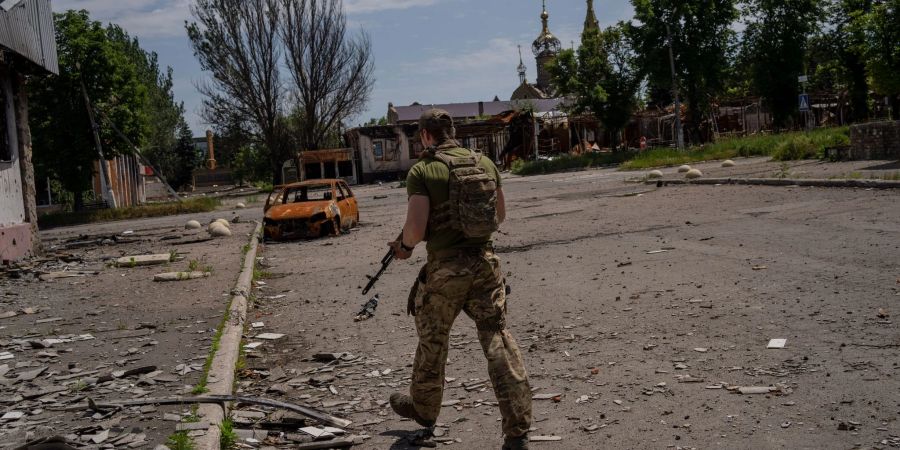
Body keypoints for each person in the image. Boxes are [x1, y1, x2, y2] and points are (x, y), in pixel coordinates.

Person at [387, 109, 533, 450]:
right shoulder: (484, 163)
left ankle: (423, 409)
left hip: (446, 270)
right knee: (497, 339)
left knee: (432, 340)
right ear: (452, 131)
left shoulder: (423, 170)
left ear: (425, 135)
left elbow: (416, 229)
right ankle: (517, 431)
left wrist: (404, 247)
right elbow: (499, 215)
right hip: (485, 265)